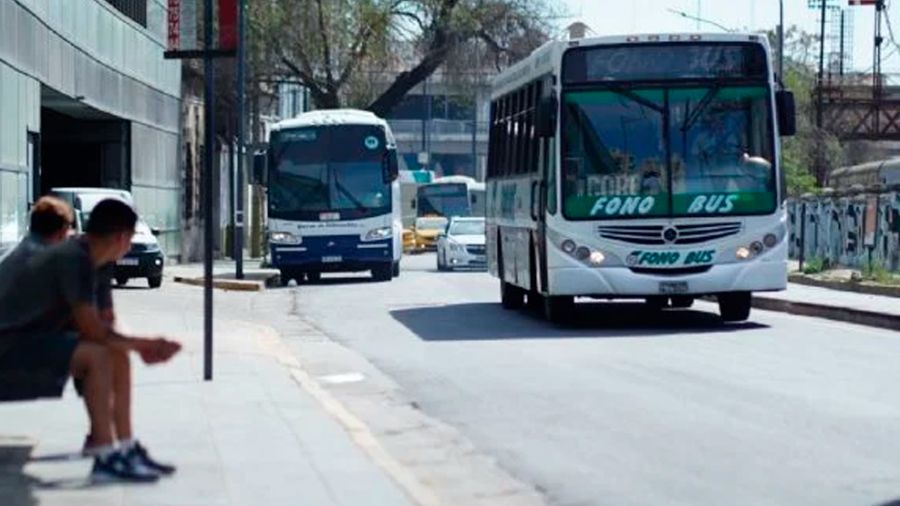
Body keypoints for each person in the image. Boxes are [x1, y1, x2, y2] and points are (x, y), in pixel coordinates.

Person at [0, 197, 181, 482]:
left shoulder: (101, 262)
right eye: (131, 239)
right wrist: (146, 345)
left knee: (115, 353)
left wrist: (132, 346)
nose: (130, 246)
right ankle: (105, 456)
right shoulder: (73, 258)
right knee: (96, 356)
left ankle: (125, 447)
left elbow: (105, 323)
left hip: (33, 342)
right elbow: (92, 331)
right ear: (122, 237)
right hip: (9, 348)